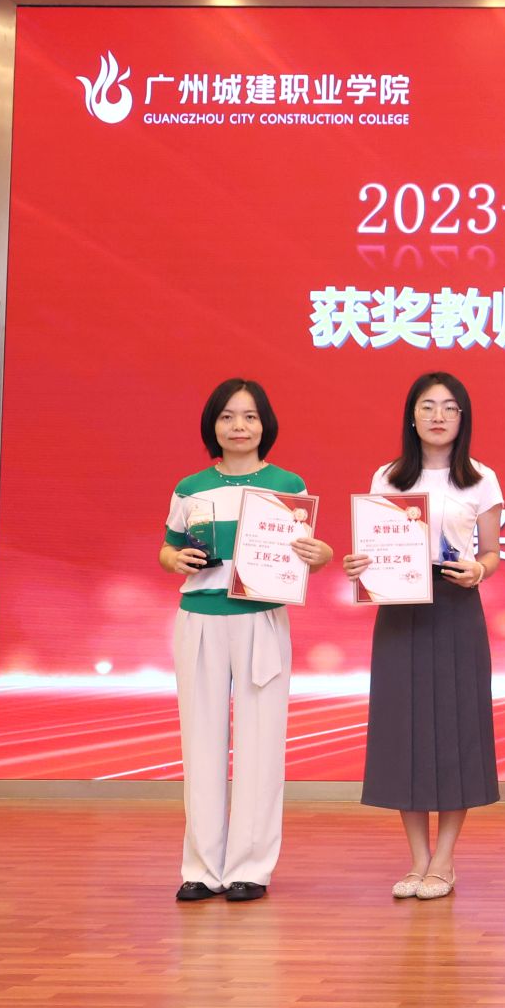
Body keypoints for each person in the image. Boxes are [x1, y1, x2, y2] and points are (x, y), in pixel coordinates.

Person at [159, 378, 331, 903]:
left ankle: (250, 868)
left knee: (262, 741)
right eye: (228, 416)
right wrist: (175, 559)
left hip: (261, 618)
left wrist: (320, 555)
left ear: (265, 425)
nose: (239, 426)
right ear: (212, 425)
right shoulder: (191, 487)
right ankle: (201, 868)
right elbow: (167, 549)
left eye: (250, 416)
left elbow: (306, 555)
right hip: (200, 618)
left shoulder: (286, 485)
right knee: (201, 740)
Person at [343, 372, 504, 902]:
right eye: (428, 406)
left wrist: (478, 571)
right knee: (404, 732)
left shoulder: (481, 479)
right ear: (411, 416)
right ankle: (416, 860)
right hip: (399, 610)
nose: (438, 416)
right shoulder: (387, 477)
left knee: (458, 731)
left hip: (456, 606)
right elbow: (373, 546)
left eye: (450, 407)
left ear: (463, 418)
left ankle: (444, 861)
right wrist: (358, 565)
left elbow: (491, 554)